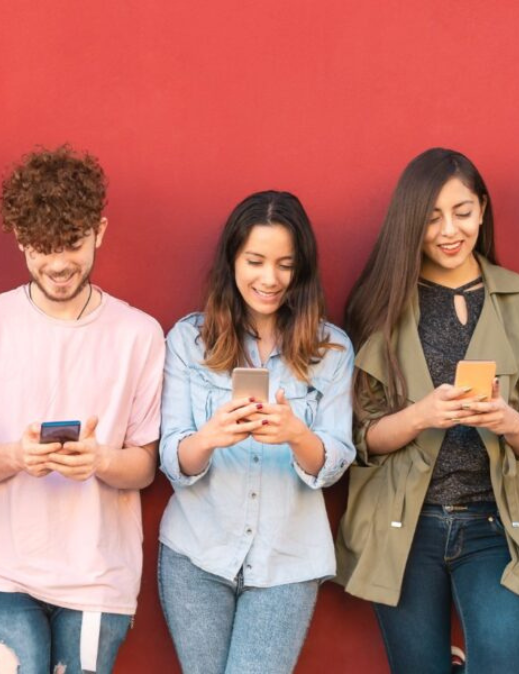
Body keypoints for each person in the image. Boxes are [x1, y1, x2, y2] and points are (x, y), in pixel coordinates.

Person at [334, 148, 519, 674]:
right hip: (402, 526)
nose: (448, 230)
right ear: (411, 222)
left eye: (462, 211)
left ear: (483, 209)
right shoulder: (380, 302)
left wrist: (510, 422)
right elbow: (360, 439)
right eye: (431, 217)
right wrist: (421, 416)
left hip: (494, 524)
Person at [0, 145, 164, 674]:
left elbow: (146, 466)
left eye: (72, 243)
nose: (59, 263)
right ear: (20, 239)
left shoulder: (140, 335)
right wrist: (16, 457)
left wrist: (100, 462)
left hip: (97, 578)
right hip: (2, 572)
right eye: (42, 247)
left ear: (100, 231)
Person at [156, 191, 355, 673]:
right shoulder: (189, 340)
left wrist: (295, 434)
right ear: (232, 259)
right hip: (195, 554)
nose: (270, 279)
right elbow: (170, 455)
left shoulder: (332, 350)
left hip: (287, 561)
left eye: (285, 264)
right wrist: (210, 436)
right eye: (256, 261)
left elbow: (335, 458)